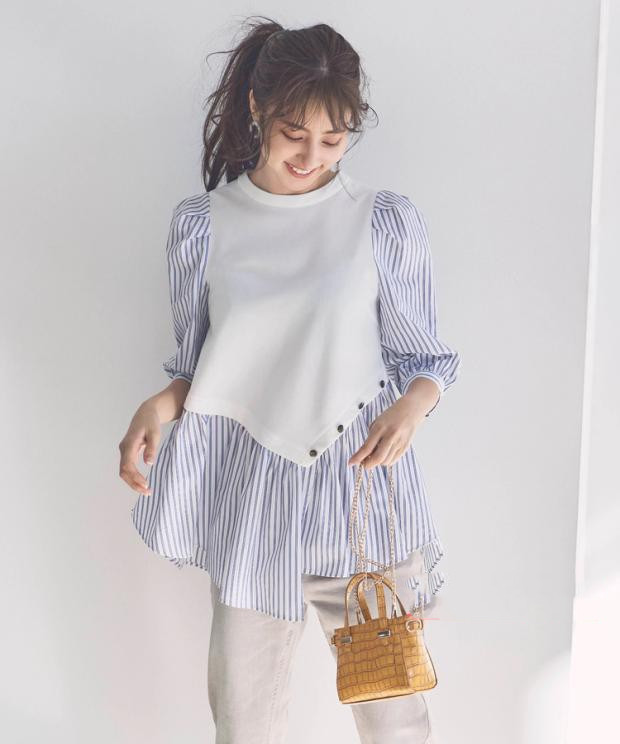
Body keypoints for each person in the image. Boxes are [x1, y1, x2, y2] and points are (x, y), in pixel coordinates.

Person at [119, 15, 461, 744]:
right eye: (293, 133)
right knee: (244, 723)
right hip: (254, 501)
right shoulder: (203, 226)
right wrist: (159, 405)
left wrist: (412, 408)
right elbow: (201, 368)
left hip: (361, 495)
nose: (312, 156)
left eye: (334, 139)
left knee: (397, 721)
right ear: (257, 108)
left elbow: (425, 359)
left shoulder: (382, 222)